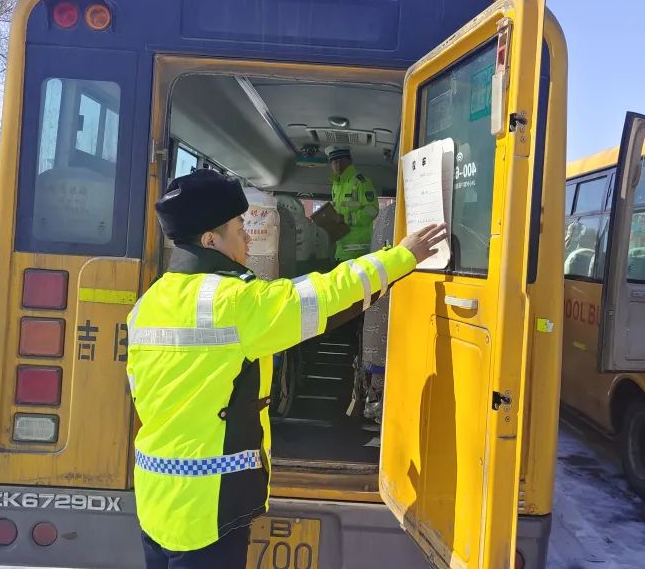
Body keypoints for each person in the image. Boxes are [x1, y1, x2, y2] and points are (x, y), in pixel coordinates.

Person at [126, 169, 447, 568]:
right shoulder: (232, 304)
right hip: (207, 510)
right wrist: (403, 257)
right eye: (238, 227)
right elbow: (328, 297)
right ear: (210, 239)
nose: (246, 236)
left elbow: (142, 395)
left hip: (155, 502)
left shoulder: (147, 305)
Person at [327, 146, 379, 262]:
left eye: (341, 160)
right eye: (334, 162)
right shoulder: (335, 185)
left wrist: (344, 218)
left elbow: (372, 210)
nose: (337, 165)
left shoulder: (362, 182)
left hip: (358, 252)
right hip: (340, 250)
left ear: (349, 161)